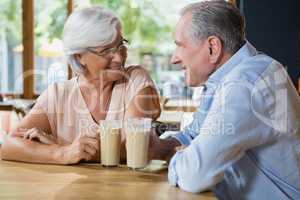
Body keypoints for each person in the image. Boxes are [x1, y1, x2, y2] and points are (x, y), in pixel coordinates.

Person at [148, 1, 300, 199]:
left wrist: (179, 158)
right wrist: (161, 147)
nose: (174, 59)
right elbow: (195, 133)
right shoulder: (226, 77)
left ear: (213, 47)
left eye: (180, 46)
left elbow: (194, 175)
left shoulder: (245, 84)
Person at [1, 6, 161, 165]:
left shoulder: (135, 80)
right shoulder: (59, 95)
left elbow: (131, 148)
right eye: (106, 51)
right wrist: (62, 153)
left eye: (121, 45)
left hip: (127, 190)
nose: (119, 58)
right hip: (70, 189)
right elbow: (9, 146)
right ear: (79, 56)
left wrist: (62, 148)